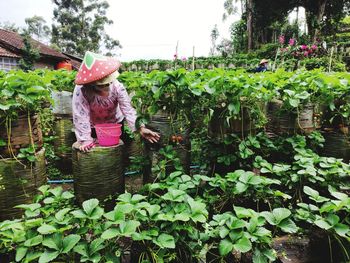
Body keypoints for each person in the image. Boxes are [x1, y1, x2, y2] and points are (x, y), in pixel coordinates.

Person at [73, 51, 160, 152]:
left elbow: (127, 109)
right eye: (100, 85)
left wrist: (140, 128)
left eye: (107, 84)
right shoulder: (82, 90)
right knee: (93, 152)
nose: (105, 87)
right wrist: (85, 140)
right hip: (93, 126)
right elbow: (80, 115)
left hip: (114, 124)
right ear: (91, 83)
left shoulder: (117, 87)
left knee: (116, 152)